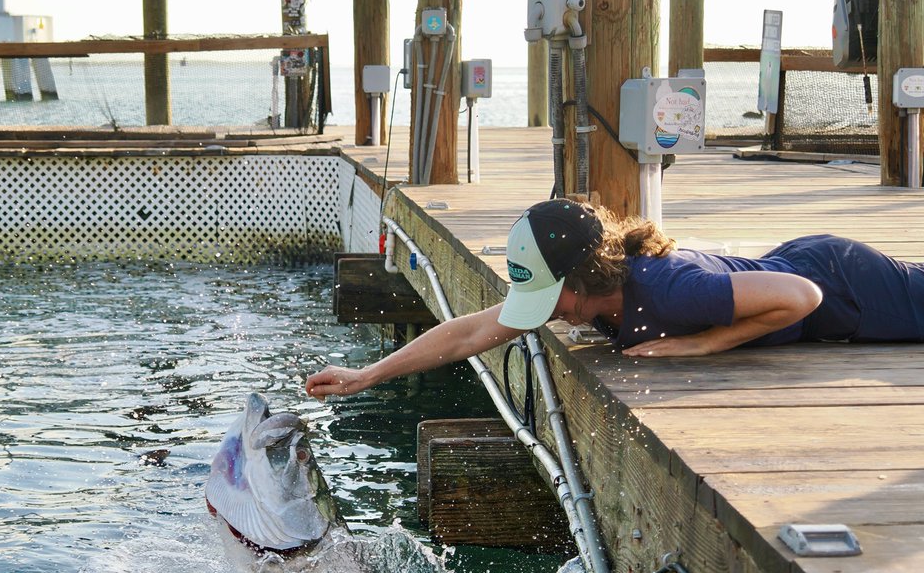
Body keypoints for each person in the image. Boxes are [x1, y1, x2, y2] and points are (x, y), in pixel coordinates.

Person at [305, 197, 924, 399]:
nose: (540, 310)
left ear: (579, 285)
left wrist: (699, 346)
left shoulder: (673, 291)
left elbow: (803, 295)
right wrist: (367, 374)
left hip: (851, 287)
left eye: (547, 294)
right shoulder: (585, 298)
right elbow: (468, 333)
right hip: (808, 280)